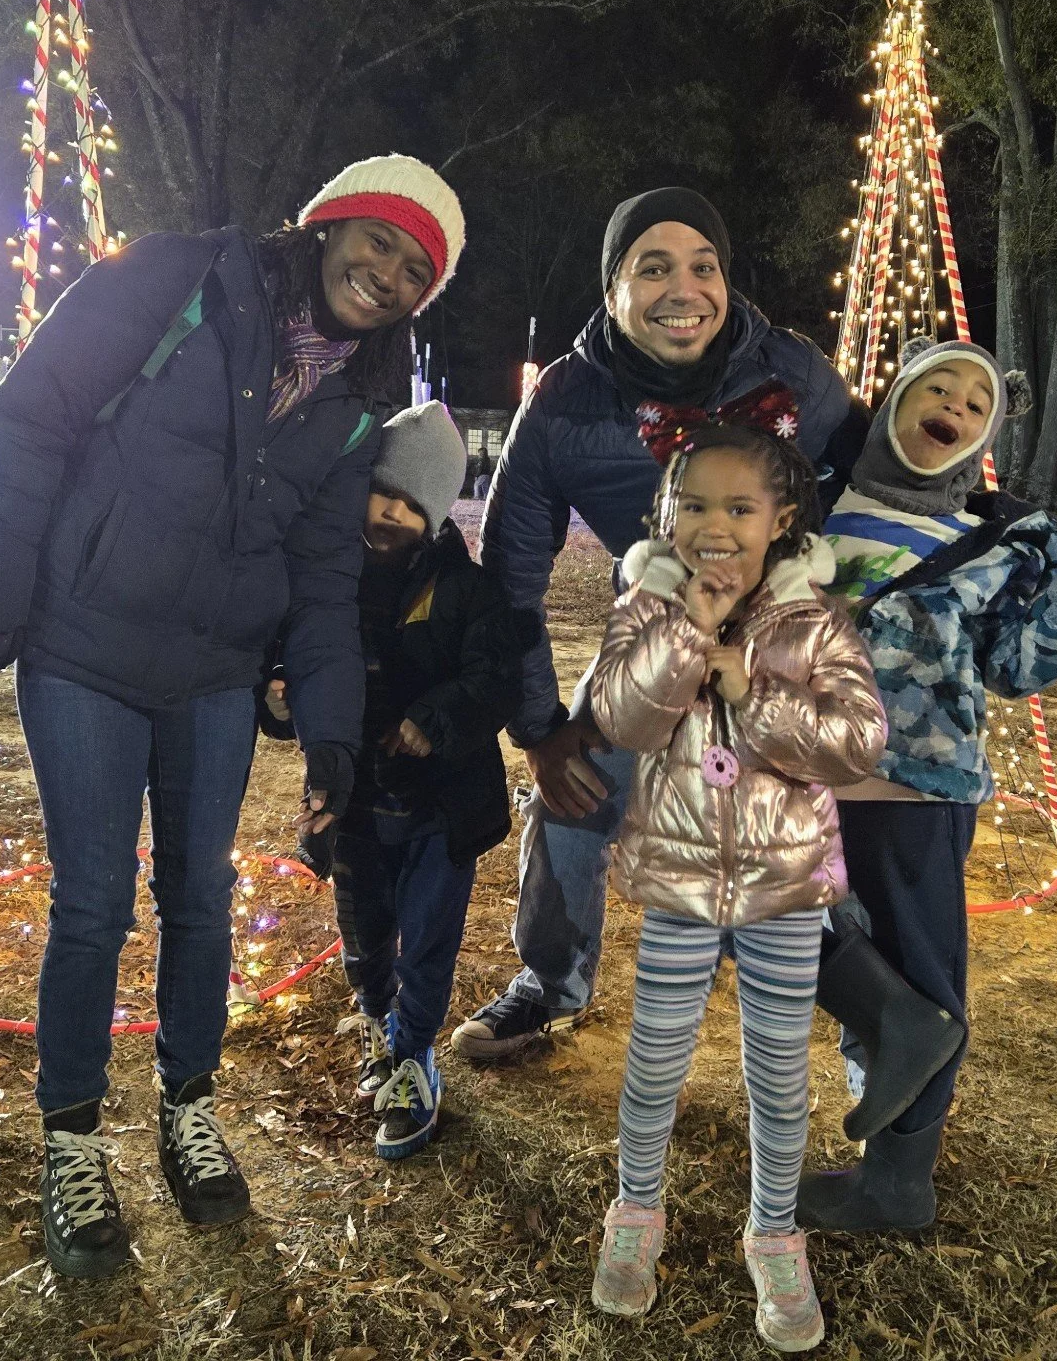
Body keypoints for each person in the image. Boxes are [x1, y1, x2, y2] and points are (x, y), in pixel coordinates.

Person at [0, 154, 465, 1279]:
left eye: (416, 268)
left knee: (201, 898)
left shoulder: (357, 397)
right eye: (378, 240)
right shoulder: (173, 281)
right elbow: (30, 424)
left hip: (216, 672)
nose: (388, 272)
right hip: (83, 646)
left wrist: (329, 731)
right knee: (90, 902)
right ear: (324, 226)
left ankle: (187, 1107)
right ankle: (73, 1138)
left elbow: (322, 577)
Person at [454, 188, 856, 1060]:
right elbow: (513, 572)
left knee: (812, 821)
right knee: (572, 794)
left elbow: (875, 457)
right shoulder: (563, 404)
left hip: (780, 639)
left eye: (704, 266)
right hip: (656, 633)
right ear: (612, 292)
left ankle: (872, 1022)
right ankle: (549, 981)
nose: (686, 287)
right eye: (654, 267)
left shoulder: (795, 373)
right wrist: (537, 729)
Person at [798, 340, 1057, 1233]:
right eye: (938, 386)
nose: (954, 405)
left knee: (920, 966)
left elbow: (1018, 666)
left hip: (916, 789)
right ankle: (895, 1028)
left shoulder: (995, 543)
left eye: (976, 404)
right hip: (795, 770)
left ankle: (897, 1182)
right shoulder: (811, 501)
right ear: (892, 402)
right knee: (754, 918)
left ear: (982, 436)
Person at [586, 423, 883, 1353]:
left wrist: (753, 689)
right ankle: (637, 1213)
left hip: (784, 888)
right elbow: (620, 718)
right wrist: (690, 633)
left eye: (740, 508)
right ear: (668, 515)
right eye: (696, 506)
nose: (715, 526)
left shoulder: (816, 623)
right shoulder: (647, 604)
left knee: (779, 1072)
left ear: (782, 519)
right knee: (656, 1060)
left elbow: (857, 743)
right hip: (678, 881)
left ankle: (775, 1231)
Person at [262, 401, 521, 1160]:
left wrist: (435, 720)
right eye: (384, 492)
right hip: (356, 803)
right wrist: (279, 701)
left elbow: (495, 678)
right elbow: (294, 660)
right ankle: (378, 1014)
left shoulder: (466, 592)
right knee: (363, 927)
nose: (392, 512)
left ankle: (414, 1054)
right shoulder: (326, 581)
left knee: (428, 936)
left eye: (414, 504)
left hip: (443, 805)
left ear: (437, 515)